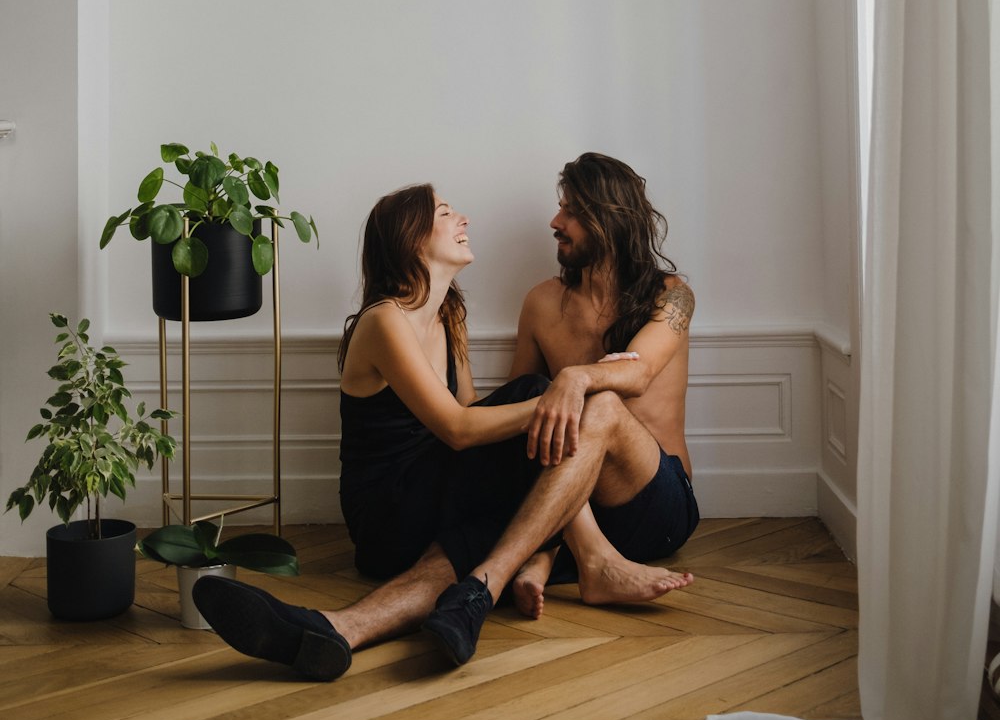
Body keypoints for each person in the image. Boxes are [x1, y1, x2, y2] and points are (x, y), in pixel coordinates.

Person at [193, 179, 690, 680]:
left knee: (479, 544)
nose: (464, 220)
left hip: (436, 497)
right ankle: (591, 557)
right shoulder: (385, 320)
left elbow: (472, 410)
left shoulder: (449, 312)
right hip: (388, 509)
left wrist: (562, 399)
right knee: (534, 394)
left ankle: (335, 628)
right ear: (413, 239)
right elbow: (458, 428)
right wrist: (563, 398)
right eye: (447, 213)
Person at [508, 151, 699, 619]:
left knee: (605, 405)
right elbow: (519, 412)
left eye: (572, 211)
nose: (556, 221)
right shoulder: (541, 303)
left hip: (657, 505)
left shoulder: (671, 295)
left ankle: (544, 554)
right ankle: (565, 556)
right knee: (533, 393)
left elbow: (639, 373)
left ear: (610, 218)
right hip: (572, 504)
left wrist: (576, 376)